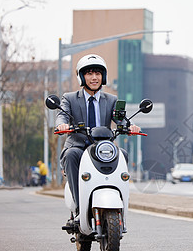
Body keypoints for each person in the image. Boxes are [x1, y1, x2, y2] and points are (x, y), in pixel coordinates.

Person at [55, 54, 140, 212]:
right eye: (89, 73)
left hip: (103, 148)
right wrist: (62, 125)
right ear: (82, 76)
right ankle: (80, 207)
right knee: (71, 154)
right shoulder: (70, 98)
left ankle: (119, 201)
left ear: (103, 76)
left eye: (98, 73)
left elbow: (122, 119)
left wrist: (131, 126)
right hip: (78, 146)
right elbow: (62, 115)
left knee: (123, 154)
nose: (94, 77)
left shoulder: (111, 100)